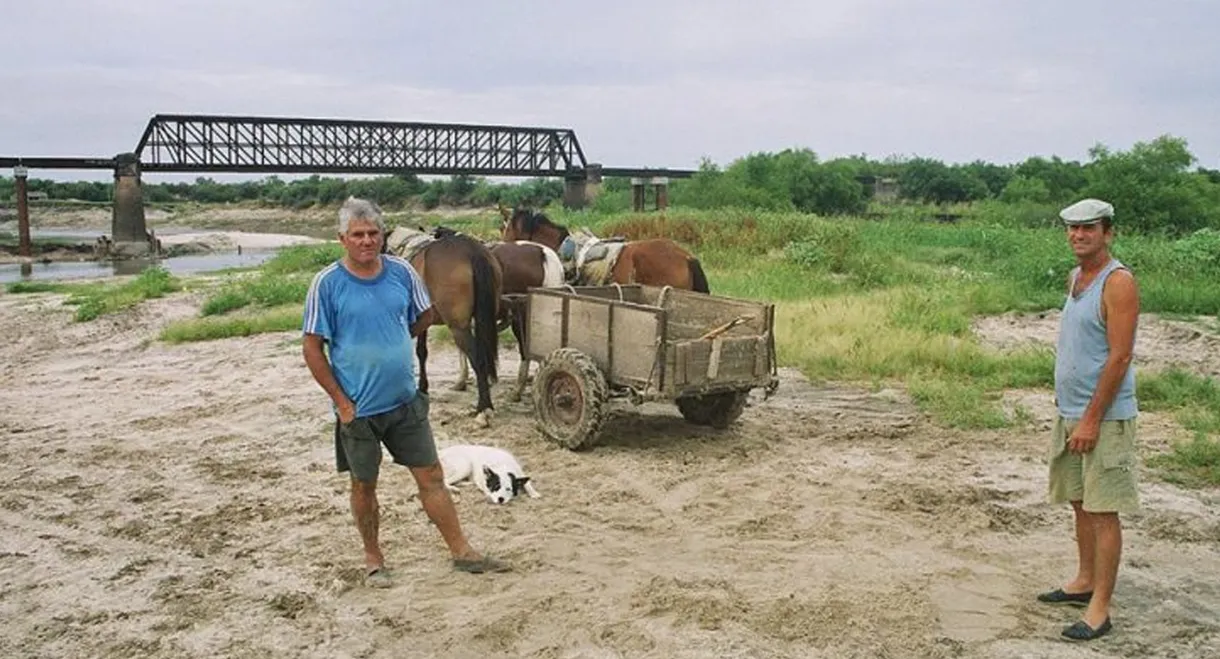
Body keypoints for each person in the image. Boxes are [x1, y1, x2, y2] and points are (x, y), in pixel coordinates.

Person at [302, 196, 510, 588]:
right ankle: (374, 560)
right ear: (342, 239)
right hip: (358, 409)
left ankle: (462, 552)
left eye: (373, 233)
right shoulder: (327, 284)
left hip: (405, 401)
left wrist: (396, 340)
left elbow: (426, 315)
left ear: (382, 235)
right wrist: (342, 403)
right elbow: (312, 348)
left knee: (431, 475)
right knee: (364, 485)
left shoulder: (401, 271)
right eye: (357, 235)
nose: (366, 241)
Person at [1038, 198, 1140, 641]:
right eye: (1072, 229)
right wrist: (1073, 413)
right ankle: (1084, 581)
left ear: (1108, 233)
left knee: (1103, 511)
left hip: (1103, 418)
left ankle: (1101, 609)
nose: (1078, 236)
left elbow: (1120, 356)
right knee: (1080, 502)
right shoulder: (1076, 277)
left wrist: (1092, 420)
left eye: (1089, 229)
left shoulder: (1118, 283)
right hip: (1071, 412)